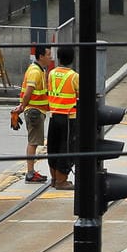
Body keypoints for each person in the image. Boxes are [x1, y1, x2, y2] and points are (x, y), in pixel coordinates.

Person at [11, 43, 50, 184]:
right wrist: (22, 106)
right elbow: (29, 91)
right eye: (48, 55)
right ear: (41, 56)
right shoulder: (35, 71)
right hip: (34, 111)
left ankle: (31, 172)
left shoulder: (40, 70)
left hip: (36, 110)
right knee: (33, 142)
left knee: (34, 141)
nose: (50, 58)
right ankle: (30, 173)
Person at [42, 46, 77, 190]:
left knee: (53, 148)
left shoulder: (51, 73)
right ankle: (62, 181)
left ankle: (54, 178)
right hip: (69, 118)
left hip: (54, 116)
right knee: (67, 148)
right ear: (72, 59)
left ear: (59, 58)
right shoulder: (74, 76)